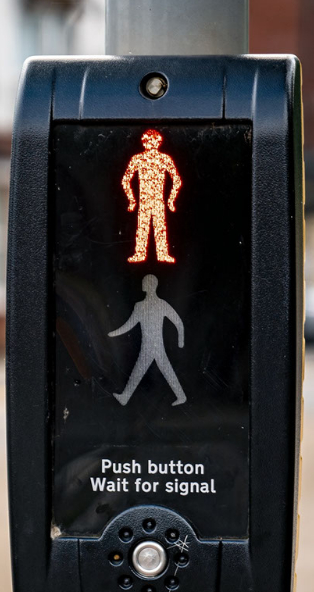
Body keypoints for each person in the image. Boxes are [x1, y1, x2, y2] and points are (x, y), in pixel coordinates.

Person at [109, 274, 187, 406]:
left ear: (151, 285)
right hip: (148, 346)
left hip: (154, 347)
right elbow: (130, 324)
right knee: (149, 371)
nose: (143, 284)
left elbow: (178, 322)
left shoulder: (161, 304)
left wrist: (181, 340)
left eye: (145, 282)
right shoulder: (140, 306)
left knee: (145, 371)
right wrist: (114, 333)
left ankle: (125, 397)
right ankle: (181, 396)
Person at [121, 129, 182, 263]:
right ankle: (140, 254)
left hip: (158, 200)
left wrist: (171, 200)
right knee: (142, 228)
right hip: (144, 200)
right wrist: (132, 200)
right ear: (144, 142)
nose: (151, 144)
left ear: (159, 142)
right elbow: (125, 180)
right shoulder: (137, 159)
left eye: (154, 141)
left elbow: (177, 180)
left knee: (160, 227)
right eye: (148, 141)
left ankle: (162, 254)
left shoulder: (165, 159)